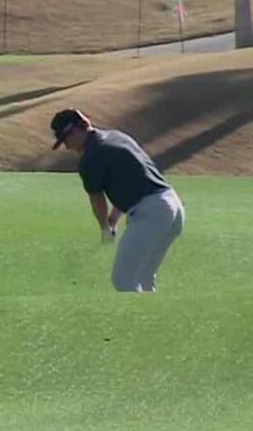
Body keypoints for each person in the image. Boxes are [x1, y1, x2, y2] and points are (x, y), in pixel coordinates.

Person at [50, 108, 185, 293]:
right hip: (173, 207)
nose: (66, 146)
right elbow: (133, 179)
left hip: (152, 212)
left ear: (76, 130)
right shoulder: (117, 136)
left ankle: (139, 321)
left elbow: (97, 200)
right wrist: (114, 218)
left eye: (66, 140)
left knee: (123, 281)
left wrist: (105, 228)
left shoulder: (90, 158)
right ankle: (154, 320)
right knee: (144, 279)